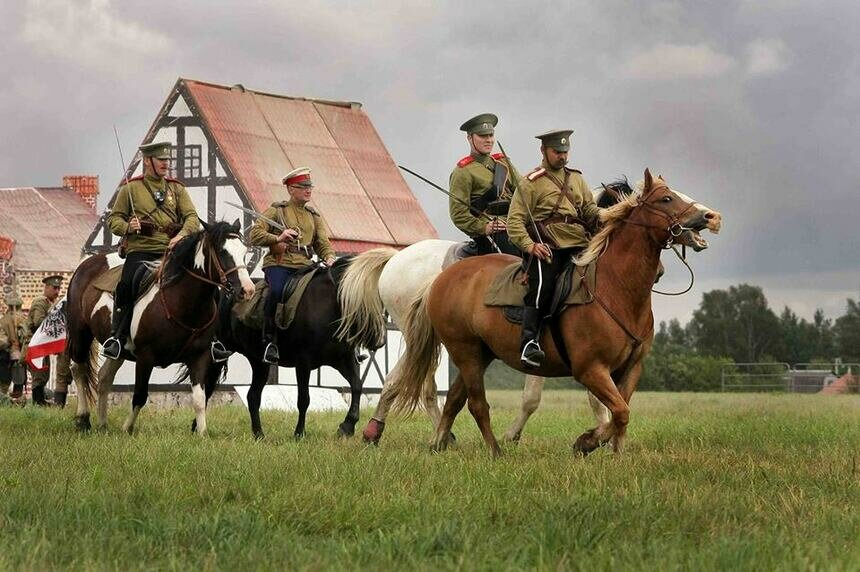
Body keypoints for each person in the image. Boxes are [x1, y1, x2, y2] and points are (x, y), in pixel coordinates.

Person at [507, 130, 601, 368]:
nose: (562, 156)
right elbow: (514, 222)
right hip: (549, 244)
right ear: (544, 151)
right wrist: (530, 246)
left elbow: (589, 210)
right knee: (543, 284)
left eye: (565, 152)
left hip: (580, 241)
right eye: (557, 152)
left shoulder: (577, 179)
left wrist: (606, 217)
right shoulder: (531, 183)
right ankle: (529, 342)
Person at [102, 142, 201, 360]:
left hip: (173, 251)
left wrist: (182, 235)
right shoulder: (130, 189)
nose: (166, 164)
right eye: (161, 160)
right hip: (142, 251)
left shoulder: (176, 189)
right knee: (127, 285)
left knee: (203, 282)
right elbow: (113, 220)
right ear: (148, 161)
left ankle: (212, 339)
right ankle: (117, 337)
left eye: (167, 160)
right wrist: (128, 227)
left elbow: (192, 217)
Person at [248, 167, 336, 364]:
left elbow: (322, 243)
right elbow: (254, 235)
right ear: (290, 189)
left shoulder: (314, 215)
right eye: (303, 186)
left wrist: (329, 257)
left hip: (306, 265)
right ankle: (269, 340)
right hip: (280, 264)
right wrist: (278, 236)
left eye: (309, 186)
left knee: (329, 290)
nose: (308, 190)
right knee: (276, 291)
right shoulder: (277, 210)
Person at [448, 113, 520, 256]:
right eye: (482, 136)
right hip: (494, 230)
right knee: (515, 260)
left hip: (516, 222)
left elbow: (523, 191)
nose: (488, 140)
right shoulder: (463, 172)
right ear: (470, 138)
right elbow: (459, 214)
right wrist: (484, 228)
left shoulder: (503, 163)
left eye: (490, 135)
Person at [26, 275, 67, 405]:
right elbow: (38, 323)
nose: (57, 291)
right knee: (39, 375)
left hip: (42, 345)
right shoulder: (40, 302)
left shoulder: (50, 303)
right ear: (47, 287)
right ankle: (37, 402)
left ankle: (40, 401)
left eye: (59, 288)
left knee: (44, 375)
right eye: (54, 288)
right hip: (35, 345)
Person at [0, 293, 29, 402]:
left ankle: (9, 403)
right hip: (19, 356)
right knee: (18, 383)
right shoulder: (23, 320)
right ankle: (16, 402)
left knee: (4, 385)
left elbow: (1, 341)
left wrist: (10, 344)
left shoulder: (3, 321)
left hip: (6, 356)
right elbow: (26, 337)